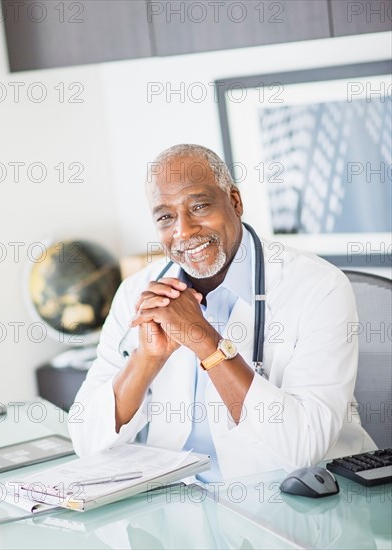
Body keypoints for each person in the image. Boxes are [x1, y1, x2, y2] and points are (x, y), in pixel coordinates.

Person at [69, 144, 374, 479]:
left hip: (304, 500)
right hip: (180, 501)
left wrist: (205, 341)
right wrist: (147, 359)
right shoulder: (136, 294)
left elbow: (303, 447)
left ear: (234, 201)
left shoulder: (319, 286)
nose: (183, 231)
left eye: (199, 206)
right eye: (165, 217)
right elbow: (87, 440)